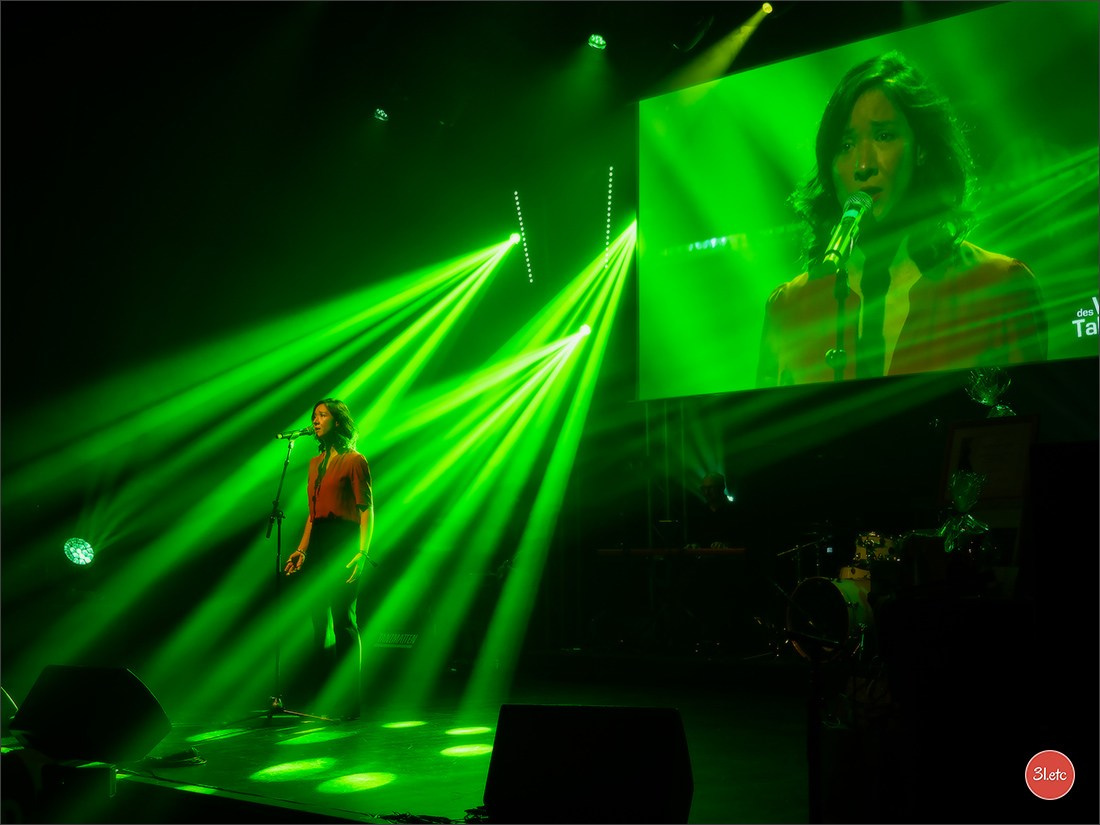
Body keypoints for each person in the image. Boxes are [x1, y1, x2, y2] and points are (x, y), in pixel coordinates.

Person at [757, 51, 1048, 387]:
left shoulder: (997, 286)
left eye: (883, 136)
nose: (863, 165)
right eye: (845, 144)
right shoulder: (789, 308)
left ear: (921, 149)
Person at [284, 398, 373, 720]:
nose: (316, 420)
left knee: (343, 619)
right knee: (318, 621)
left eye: (322, 415)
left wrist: (362, 552)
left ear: (338, 422)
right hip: (320, 539)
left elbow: (366, 509)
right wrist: (302, 549)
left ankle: (350, 704)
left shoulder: (355, 460)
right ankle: (322, 697)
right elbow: (312, 514)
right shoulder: (313, 464)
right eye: (314, 416)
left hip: (343, 539)